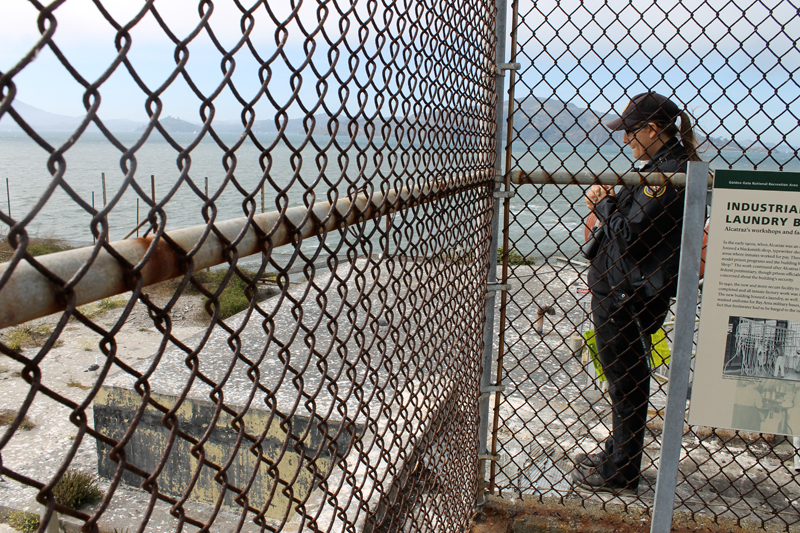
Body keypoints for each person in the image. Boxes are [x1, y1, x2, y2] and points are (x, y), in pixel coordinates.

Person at [572, 92, 702, 494]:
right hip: (625, 289)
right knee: (621, 375)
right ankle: (617, 451)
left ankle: (622, 469)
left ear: (651, 129)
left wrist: (606, 202)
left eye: (630, 131)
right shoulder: (661, 168)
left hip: (628, 294)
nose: (626, 139)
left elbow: (631, 238)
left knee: (627, 379)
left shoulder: (667, 175)